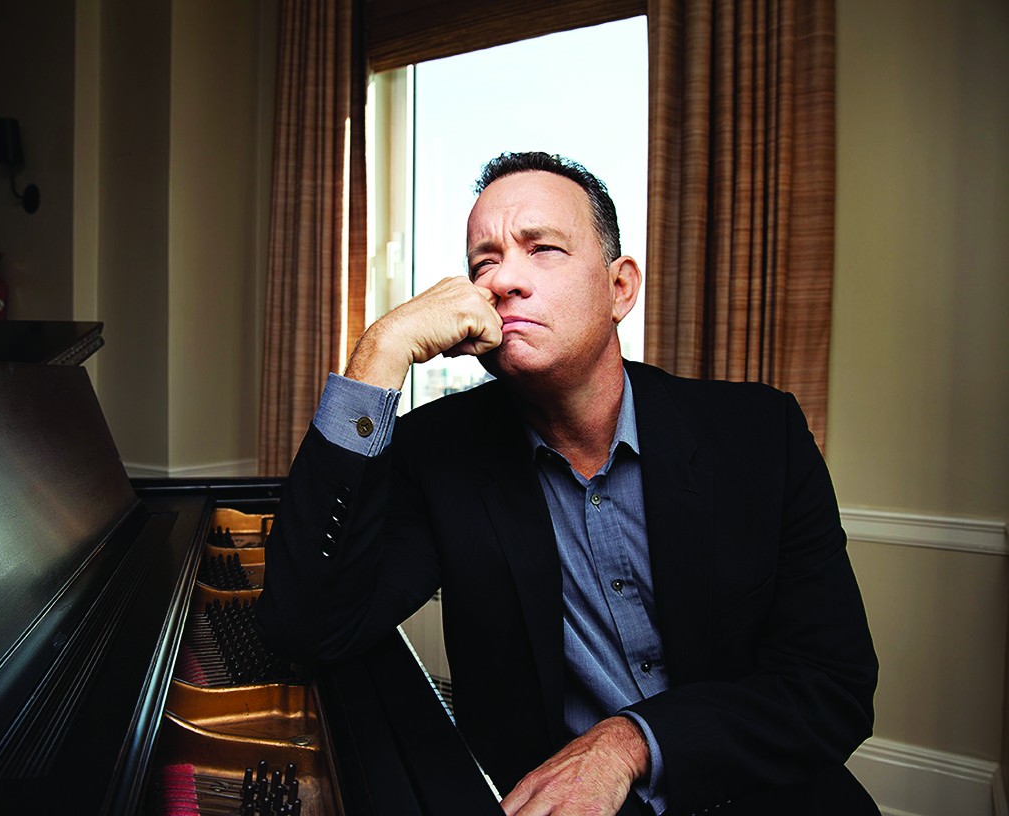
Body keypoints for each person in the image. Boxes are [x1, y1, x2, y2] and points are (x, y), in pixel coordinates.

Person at [256, 151, 878, 815]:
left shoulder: (759, 433)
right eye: (484, 262)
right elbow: (306, 629)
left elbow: (832, 686)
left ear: (620, 288)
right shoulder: (436, 454)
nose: (504, 281)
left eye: (542, 248)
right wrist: (378, 353)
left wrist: (628, 743)